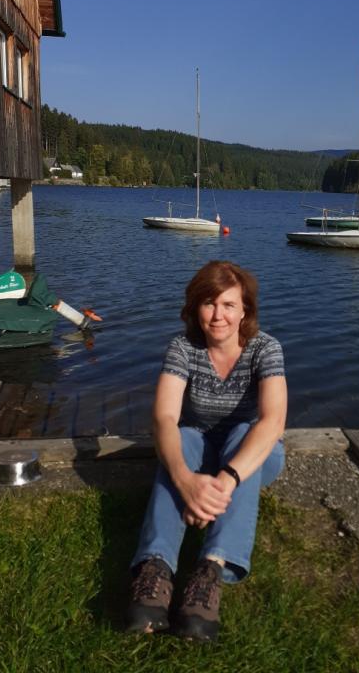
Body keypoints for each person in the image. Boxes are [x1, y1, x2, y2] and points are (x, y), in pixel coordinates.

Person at [127, 260, 287, 641]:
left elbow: (272, 422)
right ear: (195, 307)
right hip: (199, 449)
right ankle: (155, 570)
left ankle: (210, 570)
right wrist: (184, 480)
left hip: (253, 456)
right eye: (209, 303)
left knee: (244, 431)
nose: (218, 316)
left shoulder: (265, 348)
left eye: (229, 305)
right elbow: (164, 418)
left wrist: (225, 481)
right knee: (182, 436)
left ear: (244, 309)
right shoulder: (183, 348)